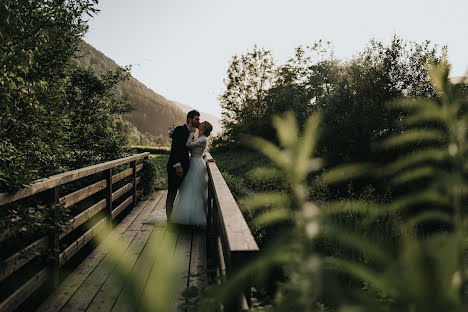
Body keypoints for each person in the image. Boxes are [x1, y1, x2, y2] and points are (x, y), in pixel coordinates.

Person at [169, 121, 213, 227]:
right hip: (193, 163)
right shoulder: (200, 137)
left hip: (196, 164)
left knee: (195, 189)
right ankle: (186, 214)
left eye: (202, 123)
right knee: (188, 188)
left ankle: (193, 217)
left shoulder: (202, 139)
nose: (199, 123)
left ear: (204, 127)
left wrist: (191, 134)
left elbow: (188, 145)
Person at [166, 110, 200, 219]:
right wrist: (178, 165)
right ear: (190, 119)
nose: (198, 121)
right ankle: (169, 219)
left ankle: (179, 218)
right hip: (175, 167)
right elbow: (175, 149)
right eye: (197, 119)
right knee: (172, 192)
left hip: (186, 167)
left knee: (184, 193)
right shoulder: (179, 130)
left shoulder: (191, 133)